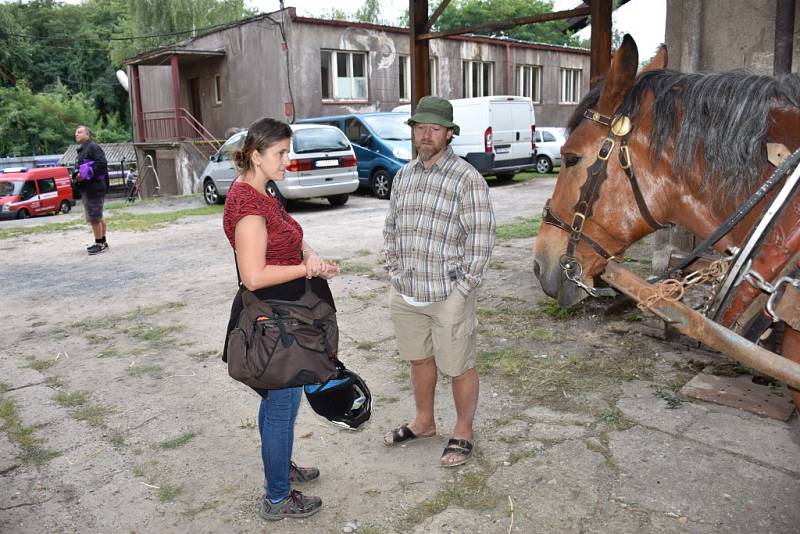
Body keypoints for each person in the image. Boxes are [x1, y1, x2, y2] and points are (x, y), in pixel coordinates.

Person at [222, 117, 340, 521]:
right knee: (281, 402)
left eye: (288, 152)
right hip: (274, 322)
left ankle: (279, 464)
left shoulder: (261, 191)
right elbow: (253, 276)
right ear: (256, 155)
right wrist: (307, 270)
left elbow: (288, 233)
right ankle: (276, 497)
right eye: (281, 153)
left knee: (280, 402)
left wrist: (310, 255)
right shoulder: (247, 207)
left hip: (284, 314)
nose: (288, 160)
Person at [382, 96, 495, 467]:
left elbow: (480, 238)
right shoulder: (403, 176)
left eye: (434, 128)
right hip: (408, 291)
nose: (425, 134)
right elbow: (392, 228)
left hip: (448, 293)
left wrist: (463, 289)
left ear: (448, 133)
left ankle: (463, 430)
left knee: (459, 364)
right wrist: (395, 271)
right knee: (418, 359)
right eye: (420, 127)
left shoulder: (467, 178)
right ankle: (424, 422)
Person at [73, 125, 109, 255]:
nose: (76, 134)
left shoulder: (93, 147)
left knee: (94, 217)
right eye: (76, 132)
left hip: (94, 187)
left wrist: (86, 175)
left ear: (88, 135)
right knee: (98, 216)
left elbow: (102, 164)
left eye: (80, 132)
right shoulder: (82, 149)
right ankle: (102, 242)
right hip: (88, 187)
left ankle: (99, 244)